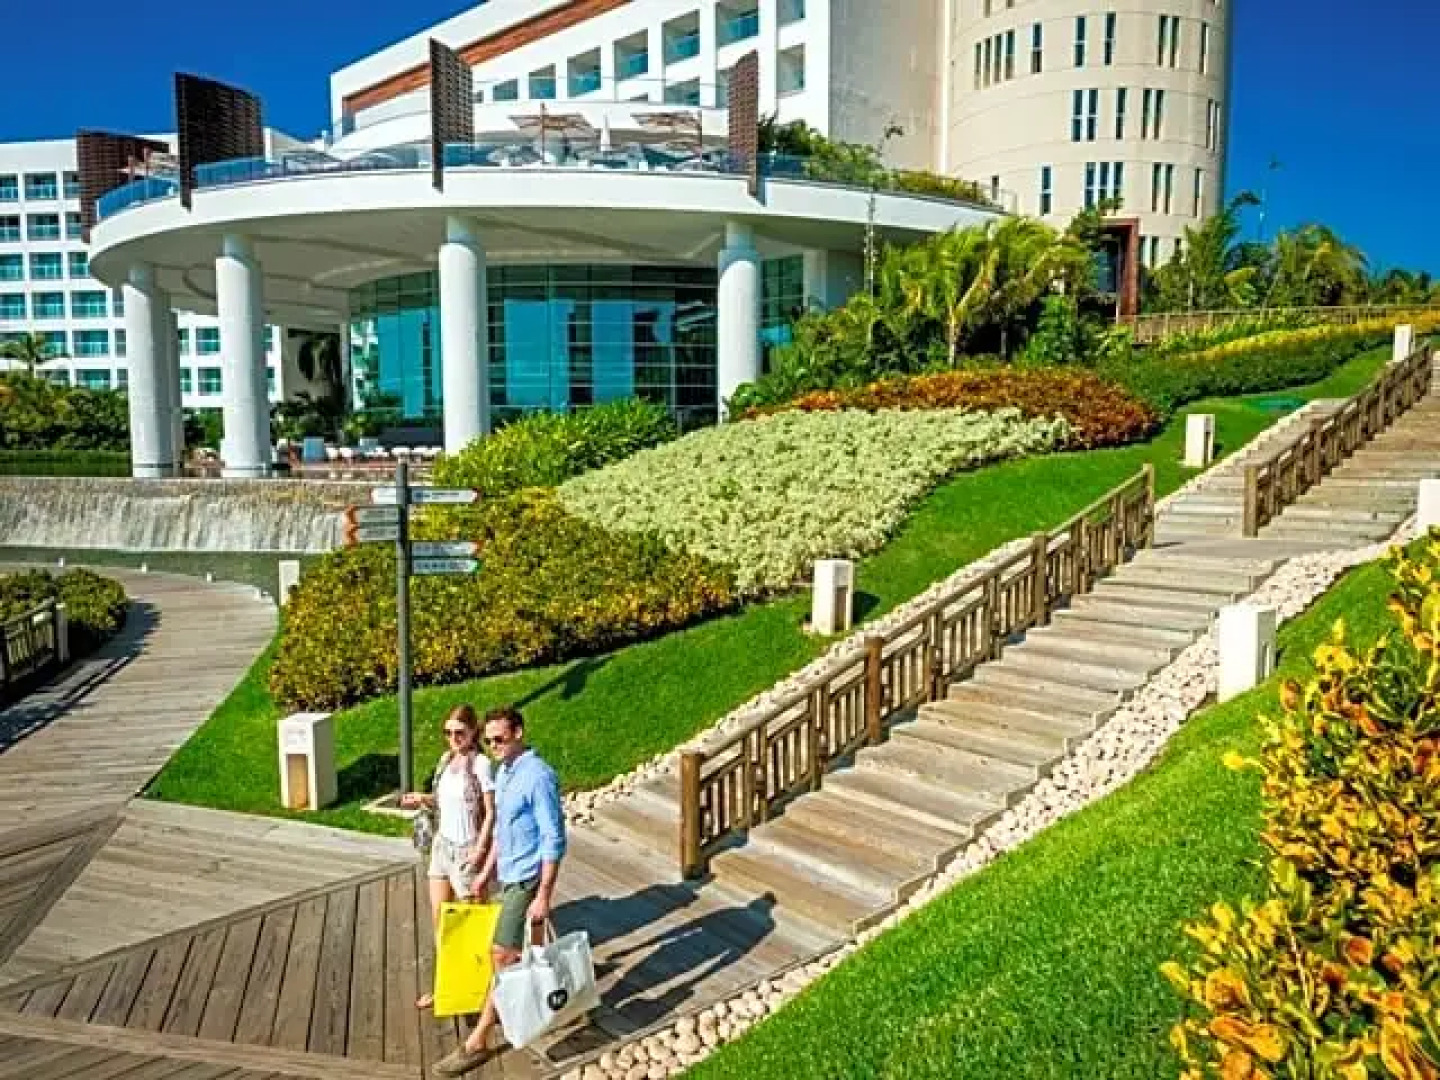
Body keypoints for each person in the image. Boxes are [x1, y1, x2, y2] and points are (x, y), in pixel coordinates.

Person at [433, 704, 566, 1077]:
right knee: (526, 950)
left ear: (519, 733)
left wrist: (543, 893)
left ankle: (479, 1040)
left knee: (501, 954)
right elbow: (503, 835)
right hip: (507, 872)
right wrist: (484, 872)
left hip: (526, 878)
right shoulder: (506, 772)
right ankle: (538, 1006)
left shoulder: (538, 777)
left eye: (500, 739)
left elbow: (554, 839)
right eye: (489, 740)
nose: (494, 746)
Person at [401, 703, 495, 1010]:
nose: (453, 738)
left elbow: (492, 812)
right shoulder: (446, 761)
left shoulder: (481, 764)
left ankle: (478, 990)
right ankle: (444, 986)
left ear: (473, 732)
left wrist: (480, 849)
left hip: (466, 849)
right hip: (442, 847)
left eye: (459, 732)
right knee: (441, 922)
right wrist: (423, 798)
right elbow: (443, 800)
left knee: (470, 925)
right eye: (448, 732)